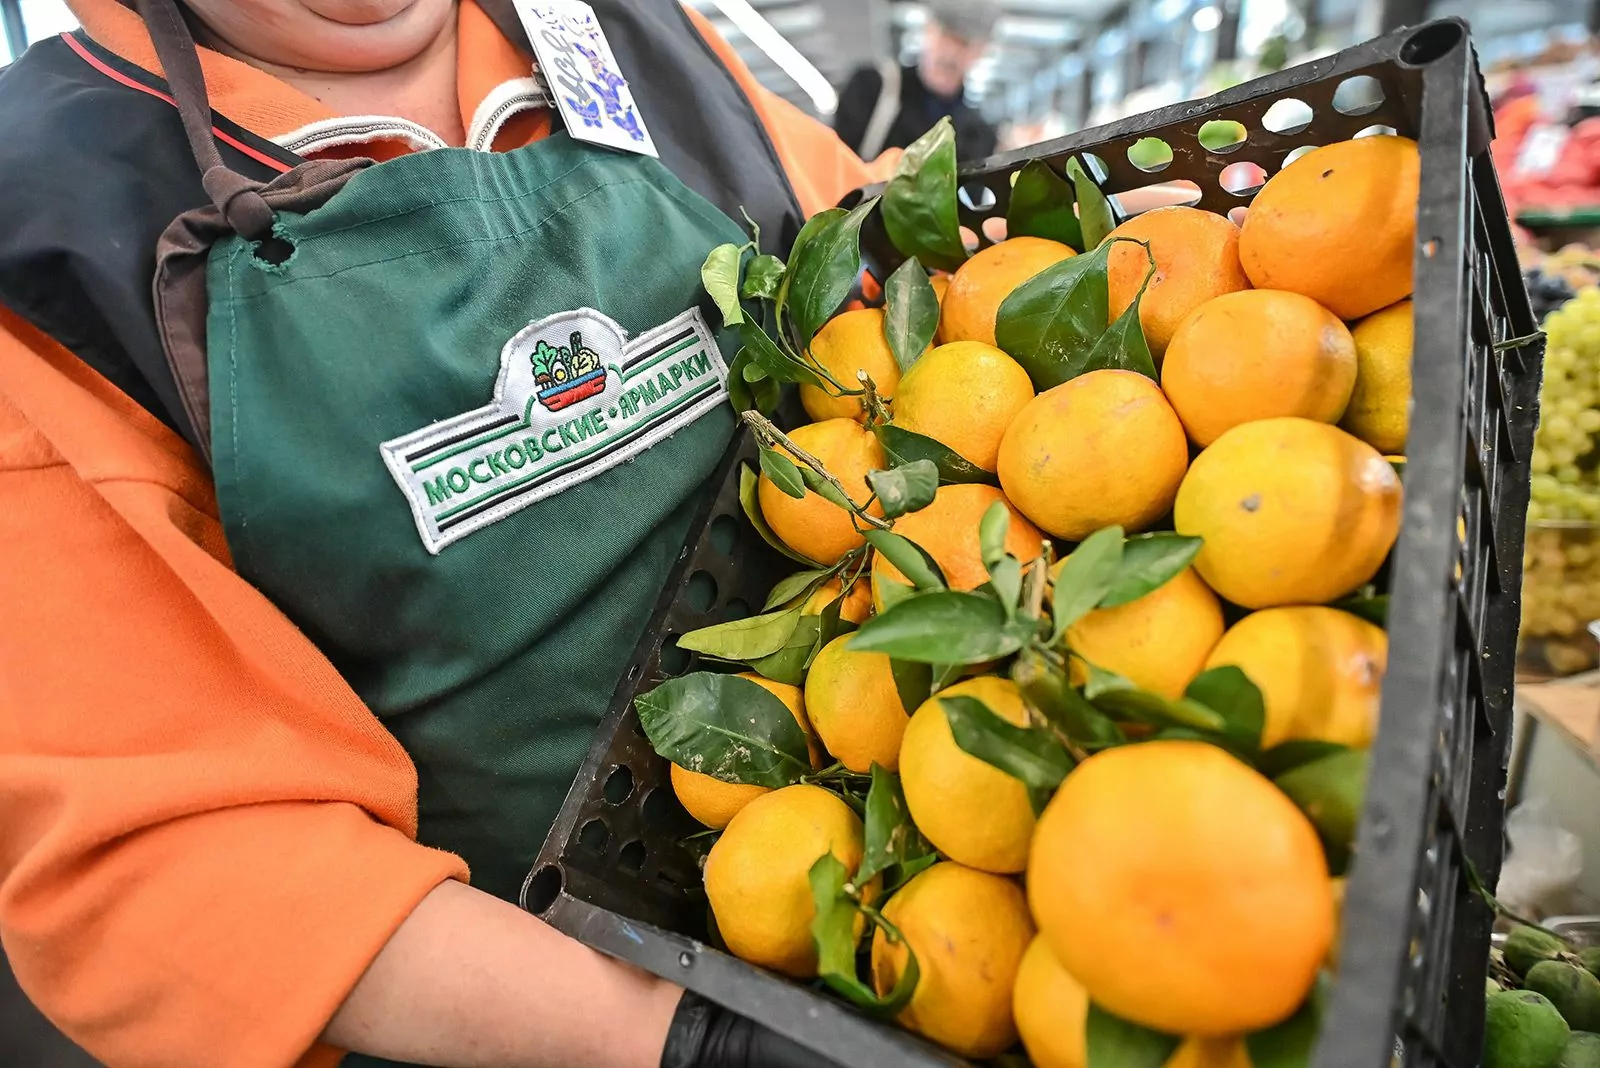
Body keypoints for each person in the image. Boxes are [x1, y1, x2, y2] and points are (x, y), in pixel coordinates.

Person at [0, 0, 892, 1064]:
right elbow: (168, 842)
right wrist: (681, 1042)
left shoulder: (642, 39)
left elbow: (867, 278)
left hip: (903, 838)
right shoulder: (48, 219)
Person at [833, 0, 1000, 163]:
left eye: (963, 44)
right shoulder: (870, 89)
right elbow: (833, 165)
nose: (950, 53)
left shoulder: (979, 138)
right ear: (928, 29)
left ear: (981, 51)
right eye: (944, 35)